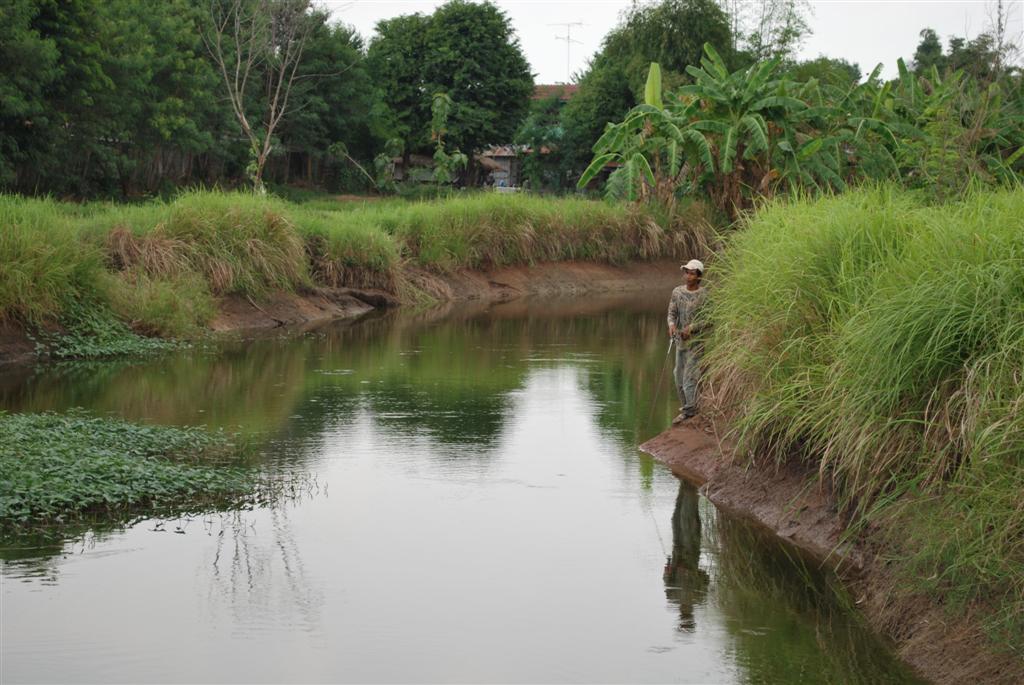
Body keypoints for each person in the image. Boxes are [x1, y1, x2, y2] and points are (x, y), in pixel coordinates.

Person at [667, 258, 708, 425]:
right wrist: (671, 325)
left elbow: (709, 320)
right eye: (687, 272)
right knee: (678, 376)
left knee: (689, 377)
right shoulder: (677, 292)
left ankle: (691, 411)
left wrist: (691, 328)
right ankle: (687, 408)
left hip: (697, 343)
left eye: (692, 273)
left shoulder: (705, 295)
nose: (688, 276)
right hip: (680, 343)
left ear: (698, 276)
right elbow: (671, 313)